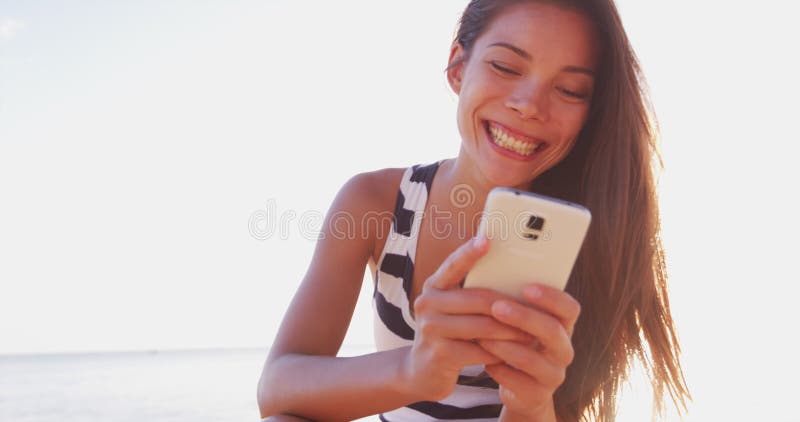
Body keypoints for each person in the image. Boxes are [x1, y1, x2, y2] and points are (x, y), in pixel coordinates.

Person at [257, 0, 691, 420]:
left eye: (570, 90)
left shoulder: (595, 239)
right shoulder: (375, 203)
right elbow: (276, 390)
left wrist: (530, 407)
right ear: (458, 68)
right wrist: (414, 371)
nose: (529, 104)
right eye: (505, 66)